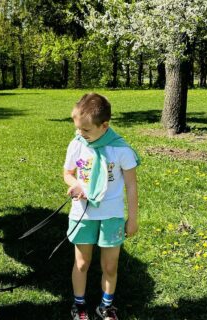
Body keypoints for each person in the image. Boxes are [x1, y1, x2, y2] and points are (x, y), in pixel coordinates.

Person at [64, 93, 139, 320]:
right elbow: (68, 173)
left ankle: (106, 307)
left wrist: (133, 219)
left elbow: (131, 186)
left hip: (112, 216)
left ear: (104, 125)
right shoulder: (77, 144)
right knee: (82, 262)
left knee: (110, 265)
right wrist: (76, 184)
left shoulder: (121, 150)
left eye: (86, 130)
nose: (80, 133)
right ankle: (79, 305)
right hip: (83, 213)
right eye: (78, 128)